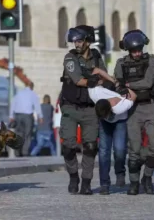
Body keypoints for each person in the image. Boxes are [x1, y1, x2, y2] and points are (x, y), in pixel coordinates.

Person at [114, 29, 154, 195]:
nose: (137, 53)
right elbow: (117, 83)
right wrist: (121, 87)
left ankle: (147, 177)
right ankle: (133, 183)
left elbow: (147, 82)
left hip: (151, 107)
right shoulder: (121, 63)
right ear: (129, 50)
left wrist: (129, 85)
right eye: (134, 51)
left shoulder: (151, 61)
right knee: (134, 148)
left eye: (139, 50)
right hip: (133, 109)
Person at [60, 25, 107, 195]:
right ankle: (74, 176)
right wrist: (95, 80)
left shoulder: (96, 57)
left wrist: (103, 80)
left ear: (88, 41)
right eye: (74, 41)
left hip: (90, 109)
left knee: (90, 147)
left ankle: (86, 182)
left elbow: (105, 76)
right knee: (68, 146)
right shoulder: (69, 58)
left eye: (79, 41)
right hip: (71, 107)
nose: (76, 44)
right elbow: (78, 79)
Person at [88, 67, 137, 195]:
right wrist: (113, 80)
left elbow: (134, 96)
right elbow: (97, 70)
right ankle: (104, 184)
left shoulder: (119, 106)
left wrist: (122, 87)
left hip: (120, 121)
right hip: (105, 124)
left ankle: (120, 173)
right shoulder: (94, 93)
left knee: (120, 150)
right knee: (104, 152)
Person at [10, 82, 43, 156]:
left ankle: (17, 152)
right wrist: (40, 116)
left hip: (17, 116)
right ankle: (25, 152)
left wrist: (11, 116)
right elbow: (37, 106)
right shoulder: (32, 94)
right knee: (27, 134)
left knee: (18, 134)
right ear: (31, 87)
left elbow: (13, 103)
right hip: (28, 117)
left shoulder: (19, 93)